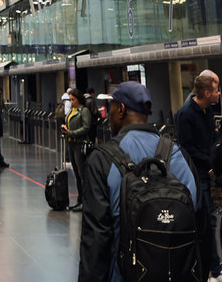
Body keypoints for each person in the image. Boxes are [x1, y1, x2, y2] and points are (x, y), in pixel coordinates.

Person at [78, 80, 198, 282]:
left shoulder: (102, 160)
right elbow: (199, 224)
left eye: (112, 107)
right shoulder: (179, 155)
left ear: (121, 110)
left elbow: (96, 239)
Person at [172, 71, 222, 282]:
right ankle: (213, 270)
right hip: (197, 175)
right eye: (216, 90)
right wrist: (210, 160)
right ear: (207, 92)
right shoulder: (186, 114)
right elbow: (187, 148)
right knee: (206, 223)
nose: (219, 94)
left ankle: (211, 268)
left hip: (209, 174)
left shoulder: (207, 111)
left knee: (212, 221)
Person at [63, 88, 94, 213]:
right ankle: (80, 199)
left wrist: (72, 132)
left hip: (80, 144)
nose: (71, 102)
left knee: (82, 173)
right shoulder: (72, 110)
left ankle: (86, 201)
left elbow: (86, 127)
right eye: (70, 100)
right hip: (71, 143)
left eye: (73, 99)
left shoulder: (84, 111)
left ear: (79, 99)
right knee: (76, 173)